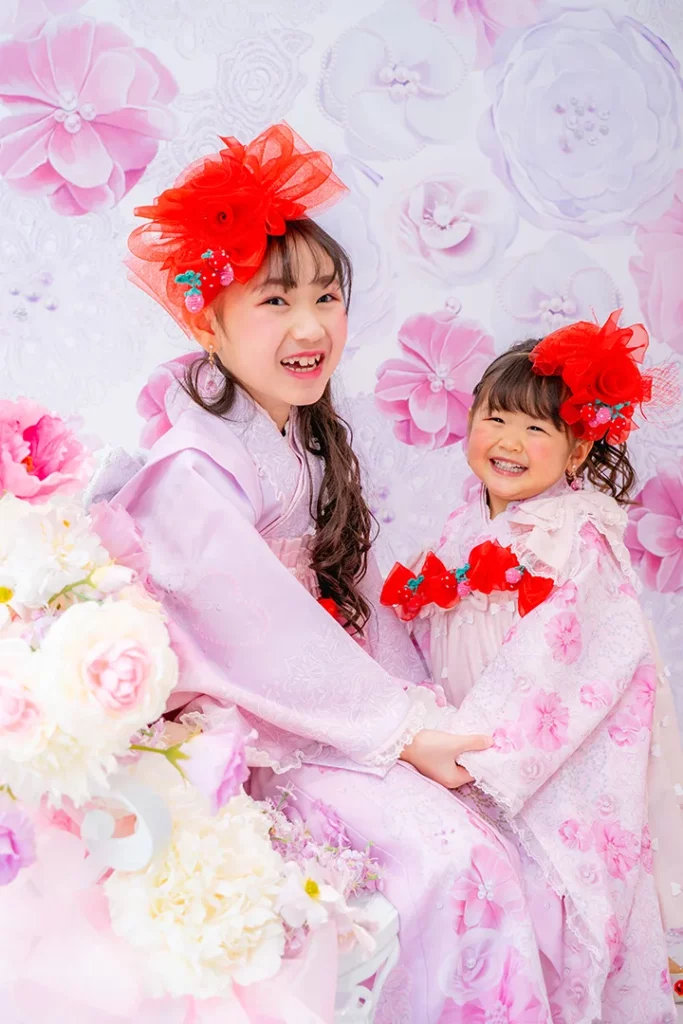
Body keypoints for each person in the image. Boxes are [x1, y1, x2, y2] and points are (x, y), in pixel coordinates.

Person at [112, 122, 554, 1021]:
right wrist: (398, 728)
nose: (312, 327)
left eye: (326, 295)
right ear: (206, 319)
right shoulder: (191, 472)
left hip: (312, 702)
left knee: (493, 835)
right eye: (274, 302)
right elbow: (257, 636)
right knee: (447, 861)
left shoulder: (297, 440)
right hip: (242, 725)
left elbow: (334, 610)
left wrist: (418, 704)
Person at [380, 314, 681, 1023]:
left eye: (536, 429)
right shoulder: (462, 528)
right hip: (459, 753)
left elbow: (566, 660)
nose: (509, 442)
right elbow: (425, 641)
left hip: (539, 771)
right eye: (495, 418)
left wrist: (473, 753)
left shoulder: (572, 534)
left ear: (580, 448)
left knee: (542, 914)